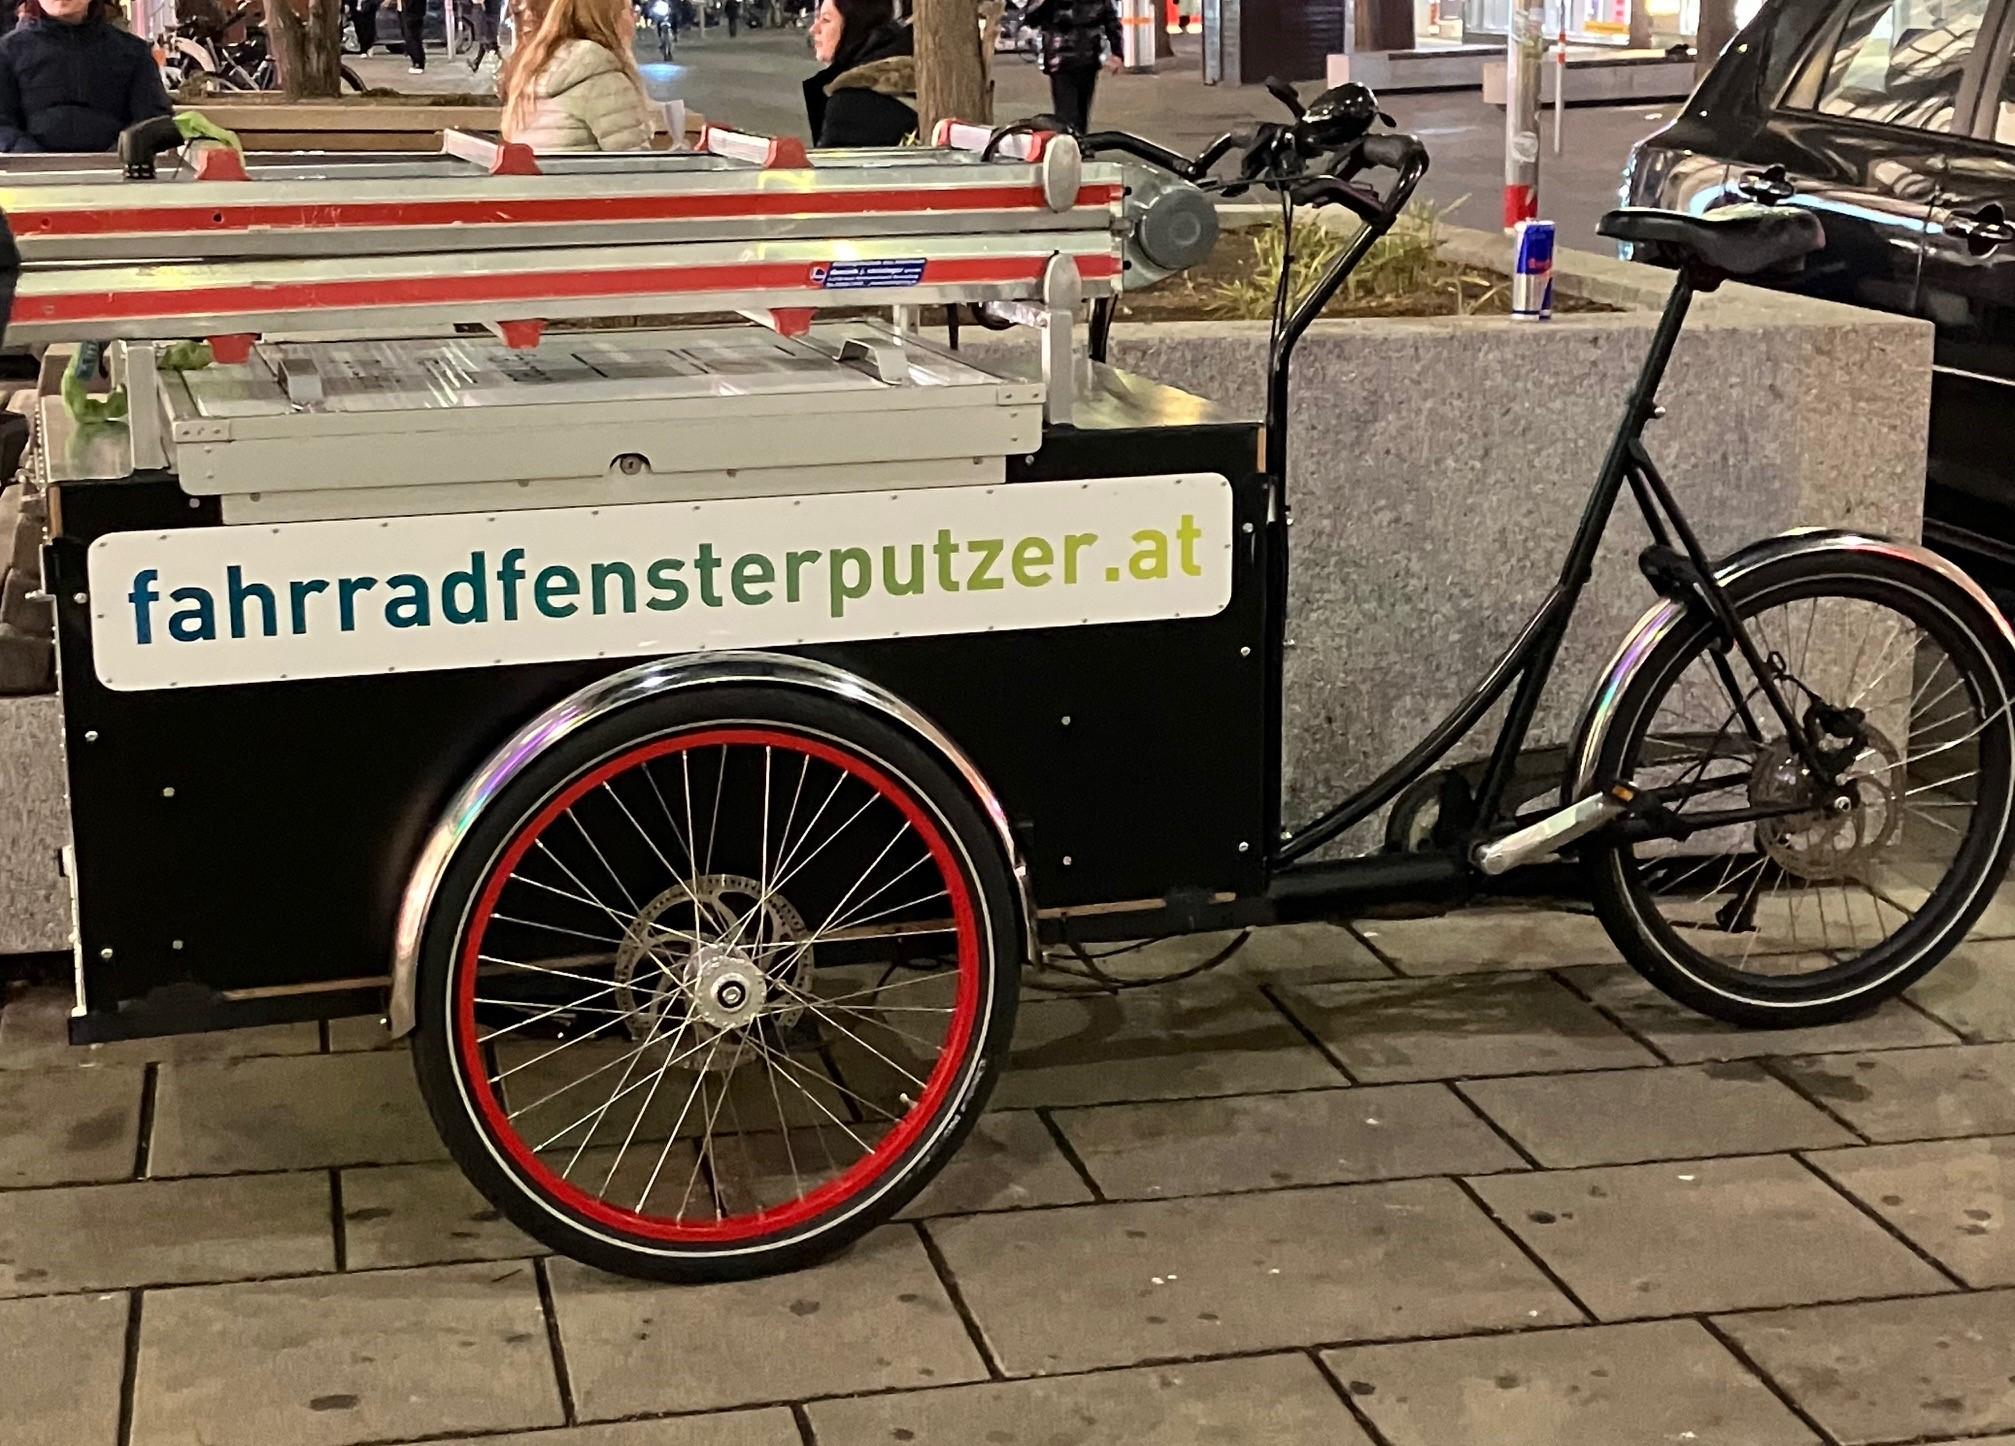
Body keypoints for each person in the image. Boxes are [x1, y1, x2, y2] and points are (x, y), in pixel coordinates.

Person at [0, 0, 171, 153]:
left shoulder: (133, 52)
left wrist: (119, 157)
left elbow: (153, 120)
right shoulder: (7, 52)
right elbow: (3, 126)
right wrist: (38, 161)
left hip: (118, 173)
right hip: (30, 173)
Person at [500, 0, 652, 150]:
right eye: (629, 10)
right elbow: (633, 158)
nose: (633, 19)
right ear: (609, 18)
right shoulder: (603, 78)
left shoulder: (535, 66)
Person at [803, 0, 913, 148]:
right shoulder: (908, 57)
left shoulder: (850, 103)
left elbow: (834, 161)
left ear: (854, 24)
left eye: (826, 20)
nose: (814, 29)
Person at [1023, 0, 1119, 135]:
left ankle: (1075, 141)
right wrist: (1117, 52)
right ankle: (1077, 141)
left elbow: (1031, 19)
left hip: (1067, 59)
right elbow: (1111, 21)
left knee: (1071, 113)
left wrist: (1117, 52)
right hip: (1083, 57)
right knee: (1076, 113)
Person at [399, 0, 427, 70]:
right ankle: (418, 60)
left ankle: (418, 62)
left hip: (412, 10)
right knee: (410, 35)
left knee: (412, 36)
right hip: (406, 9)